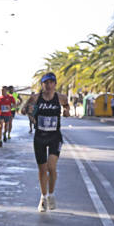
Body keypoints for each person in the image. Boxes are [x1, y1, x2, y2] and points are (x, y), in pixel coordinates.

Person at [21, 72, 70, 213]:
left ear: (55, 84)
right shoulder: (35, 98)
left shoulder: (61, 98)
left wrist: (66, 111)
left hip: (54, 136)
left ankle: (51, 195)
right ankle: (43, 197)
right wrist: (27, 111)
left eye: (51, 82)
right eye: (45, 83)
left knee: (51, 167)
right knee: (42, 169)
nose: (48, 85)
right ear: (42, 84)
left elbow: (67, 106)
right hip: (40, 136)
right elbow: (24, 110)